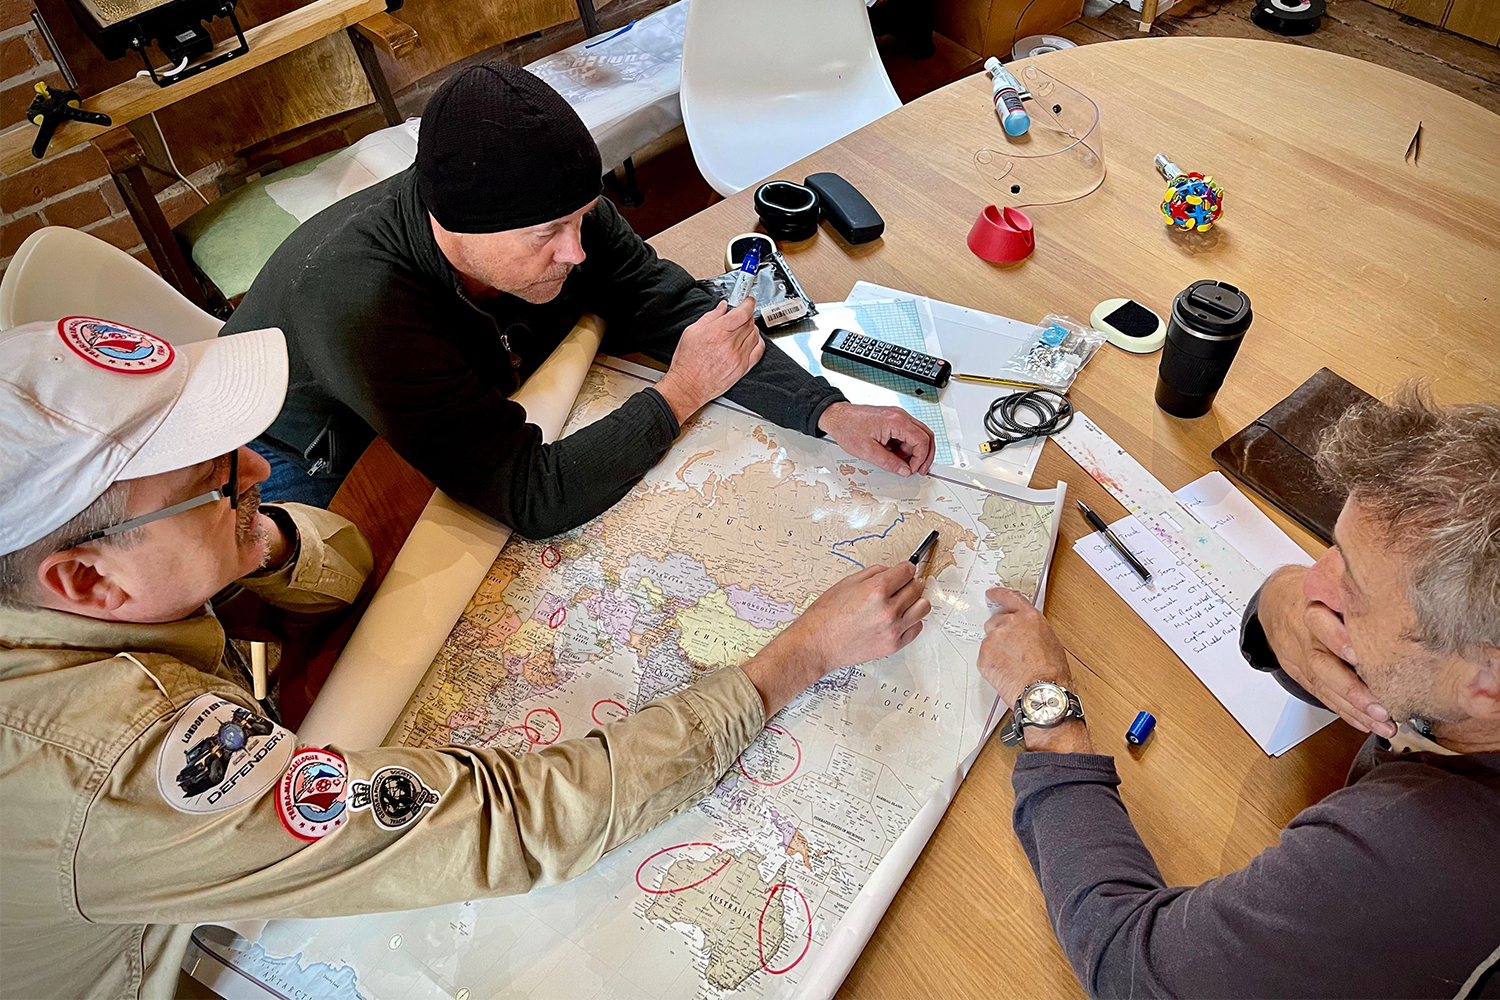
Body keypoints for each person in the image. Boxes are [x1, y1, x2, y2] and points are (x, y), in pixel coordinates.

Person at [0, 316, 934, 1000]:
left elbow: (343, 560)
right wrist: (801, 655)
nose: (257, 470)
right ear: (85, 583)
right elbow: (512, 823)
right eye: (213, 480)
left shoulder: (75, 593)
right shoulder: (107, 765)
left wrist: (249, 538)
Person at [221, 62, 936, 529]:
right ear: (450, 226)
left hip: (433, 391)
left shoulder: (563, 209)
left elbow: (666, 303)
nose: (576, 251)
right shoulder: (361, 304)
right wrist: (679, 393)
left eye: (582, 218)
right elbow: (528, 495)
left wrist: (826, 410)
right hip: (292, 446)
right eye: (546, 236)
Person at [977, 385, 1499, 999]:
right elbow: (1304, 606)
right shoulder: (1457, 671)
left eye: (1350, 588)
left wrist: (1048, 709)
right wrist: (1279, 598)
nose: (1315, 582)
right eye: (1333, 548)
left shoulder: (1416, 858)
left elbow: (1130, 968)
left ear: (1484, 681)